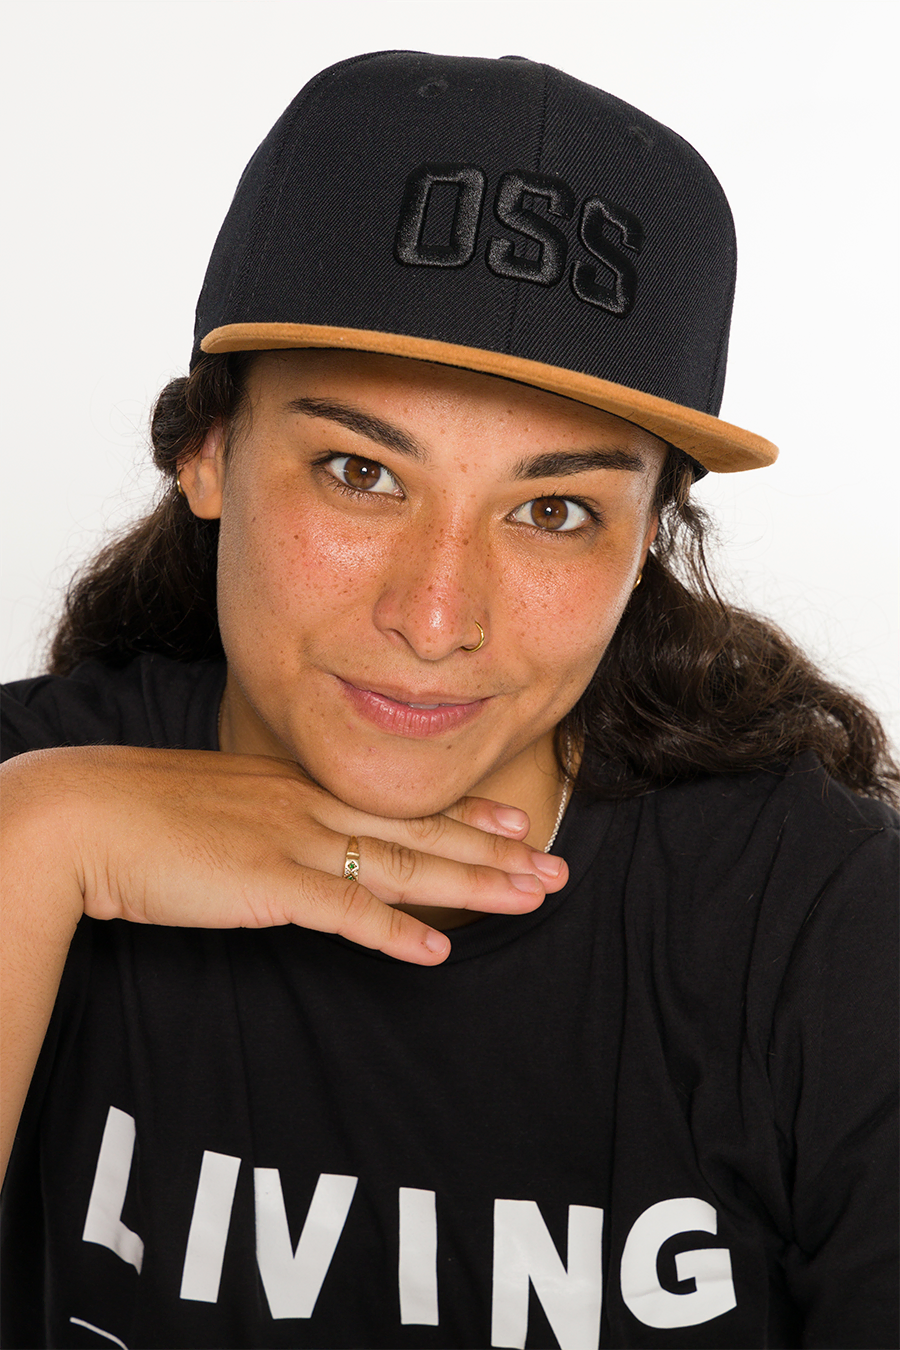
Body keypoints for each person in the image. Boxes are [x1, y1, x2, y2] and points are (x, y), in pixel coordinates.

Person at [0, 49, 897, 1349]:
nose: (434, 618)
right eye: (362, 473)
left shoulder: (819, 925)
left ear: (649, 536)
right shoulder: (22, 800)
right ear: (205, 450)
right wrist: (33, 846)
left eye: (554, 510)